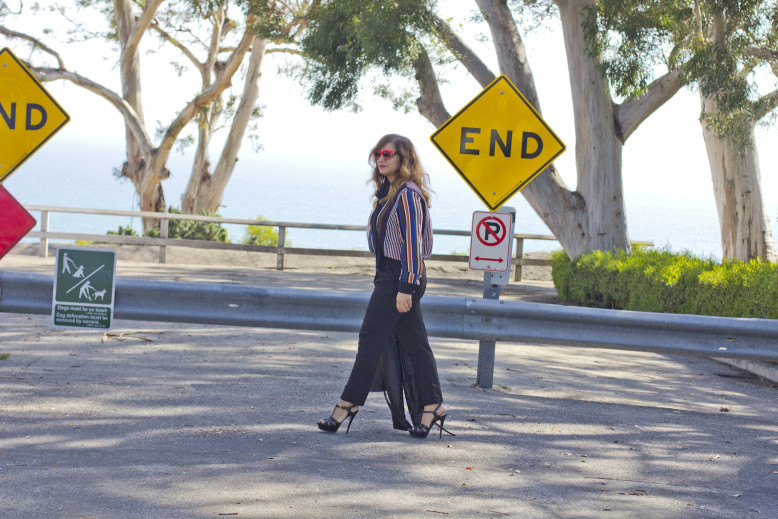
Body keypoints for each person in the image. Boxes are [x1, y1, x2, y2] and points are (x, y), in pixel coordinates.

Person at [317, 134, 451, 439]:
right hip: (389, 276)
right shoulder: (388, 193)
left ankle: (347, 405)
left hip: (400, 277)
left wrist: (406, 285)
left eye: (388, 154)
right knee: (415, 343)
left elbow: (413, 248)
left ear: (403, 158)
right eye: (378, 153)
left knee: (370, 339)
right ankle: (432, 406)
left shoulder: (407, 196)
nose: (381, 158)